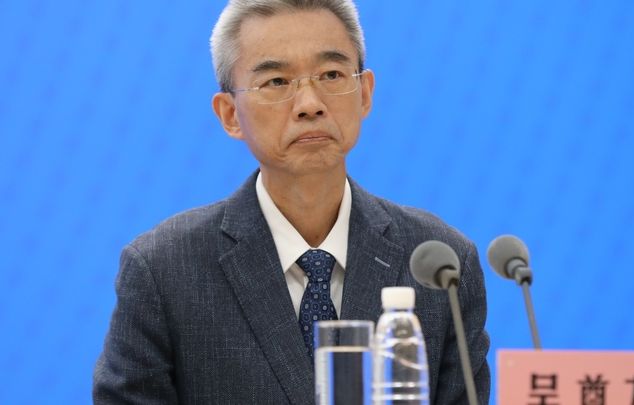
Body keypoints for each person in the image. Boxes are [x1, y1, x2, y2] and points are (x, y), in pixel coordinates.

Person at [93, 0, 490, 403]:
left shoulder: (439, 266)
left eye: (331, 74)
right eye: (277, 81)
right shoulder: (165, 270)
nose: (310, 104)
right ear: (230, 114)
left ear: (365, 93)